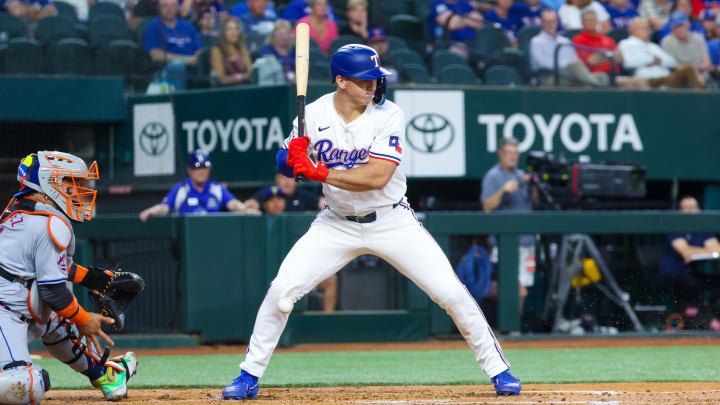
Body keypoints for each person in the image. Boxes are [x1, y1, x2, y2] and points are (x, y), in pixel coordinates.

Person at [221, 44, 521, 400]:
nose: (373, 86)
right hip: (336, 223)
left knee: (451, 293)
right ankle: (248, 375)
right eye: (365, 81)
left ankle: (500, 370)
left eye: (376, 80)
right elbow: (286, 162)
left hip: (391, 219)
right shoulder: (314, 114)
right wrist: (292, 158)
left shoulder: (388, 114)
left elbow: (377, 176)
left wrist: (318, 171)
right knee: (281, 291)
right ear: (341, 81)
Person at [0, 152, 138, 402]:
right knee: (24, 386)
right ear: (46, 184)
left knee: (59, 325)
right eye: (69, 182)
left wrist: (93, 279)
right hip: (4, 315)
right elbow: (52, 290)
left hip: (18, 310)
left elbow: (51, 267)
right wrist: (84, 318)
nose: (77, 190)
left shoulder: (21, 210)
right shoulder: (48, 222)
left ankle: (107, 374)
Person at [259, 185, 339, 312]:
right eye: (271, 200)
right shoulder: (258, 222)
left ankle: (327, 323)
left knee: (330, 280)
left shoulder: (297, 221)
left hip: (301, 271)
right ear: (264, 204)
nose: (276, 203)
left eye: (279, 199)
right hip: (270, 275)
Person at [481, 137, 535, 305]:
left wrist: (535, 188)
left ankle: (513, 329)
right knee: (518, 290)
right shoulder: (493, 176)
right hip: (504, 243)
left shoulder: (522, 176)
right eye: (508, 153)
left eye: (515, 153)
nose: (512, 157)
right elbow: (487, 207)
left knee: (523, 289)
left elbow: (535, 203)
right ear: (500, 154)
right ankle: (511, 329)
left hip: (527, 241)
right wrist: (503, 191)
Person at [139, 150, 257, 221]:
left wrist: (244, 209)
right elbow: (165, 207)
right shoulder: (181, 189)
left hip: (214, 237)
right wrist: (152, 211)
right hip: (188, 244)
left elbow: (232, 203)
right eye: (197, 168)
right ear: (189, 170)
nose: (201, 171)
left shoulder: (216, 188)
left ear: (209, 169)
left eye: (204, 167)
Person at [658, 196, 720, 317]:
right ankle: (688, 321)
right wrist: (704, 250)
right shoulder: (675, 227)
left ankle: (711, 317)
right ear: (680, 212)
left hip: (691, 274)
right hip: (672, 274)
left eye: (694, 207)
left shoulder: (703, 229)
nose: (691, 211)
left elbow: (717, 248)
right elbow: (686, 252)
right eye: (687, 208)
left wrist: (694, 251)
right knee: (691, 283)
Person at [531, 8, 610, 86]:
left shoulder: (565, 41)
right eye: (547, 21)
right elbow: (544, 64)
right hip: (548, 78)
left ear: (557, 22)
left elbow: (574, 60)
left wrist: (572, 64)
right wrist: (568, 64)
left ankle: (593, 87)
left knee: (602, 76)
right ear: (541, 23)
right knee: (577, 68)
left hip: (569, 75)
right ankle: (595, 87)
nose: (551, 24)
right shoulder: (536, 41)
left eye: (553, 21)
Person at [619, 17, 703, 87]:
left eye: (649, 29)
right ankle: (701, 101)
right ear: (633, 30)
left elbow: (671, 61)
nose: (649, 31)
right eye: (645, 28)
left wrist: (658, 61)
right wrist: (651, 59)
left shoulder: (652, 46)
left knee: (689, 69)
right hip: (647, 79)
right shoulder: (626, 43)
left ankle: (701, 98)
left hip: (666, 77)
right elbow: (627, 62)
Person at [572, 10, 648, 87]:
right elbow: (590, 61)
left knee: (640, 80)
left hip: (615, 74)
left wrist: (602, 55)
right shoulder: (578, 40)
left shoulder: (607, 39)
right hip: (596, 76)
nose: (592, 22)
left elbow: (620, 58)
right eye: (588, 20)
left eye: (594, 19)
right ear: (582, 22)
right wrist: (609, 55)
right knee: (633, 82)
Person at [144, 0, 203, 91]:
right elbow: (156, 55)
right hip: (165, 69)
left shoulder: (188, 26)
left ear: (177, 7)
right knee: (177, 66)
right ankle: (179, 102)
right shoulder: (153, 26)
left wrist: (198, 58)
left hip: (192, 68)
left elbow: (199, 51)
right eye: (165, 6)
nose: (169, 9)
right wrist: (186, 60)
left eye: (172, 5)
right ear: (159, 7)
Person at [661, 10, 712, 84]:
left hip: (701, 73)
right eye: (677, 26)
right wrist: (692, 73)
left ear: (688, 25)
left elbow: (706, 61)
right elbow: (673, 65)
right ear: (672, 28)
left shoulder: (698, 38)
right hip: (680, 76)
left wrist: (700, 69)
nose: (680, 29)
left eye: (682, 25)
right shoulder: (666, 42)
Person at [245, 172, 323, 212]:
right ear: (277, 179)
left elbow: (321, 202)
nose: (287, 182)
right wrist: (245, 208)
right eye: (283, 178)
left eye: (290, 178)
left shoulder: (302, 195)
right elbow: (252, 203)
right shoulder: (269, 192)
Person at [210, 17, 253, 85]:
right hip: (227, 91)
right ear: (223, 32)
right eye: (229, 29)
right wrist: (241, 77)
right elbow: (222, 79)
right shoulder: (217, 50)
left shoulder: (242, 48)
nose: (234, 32)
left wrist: (236, 77)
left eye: (236, 28)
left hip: (246, 88)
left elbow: (251, 73)